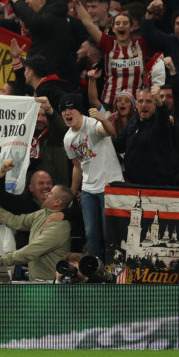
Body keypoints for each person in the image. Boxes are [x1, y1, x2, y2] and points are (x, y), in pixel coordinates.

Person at [60, 93, 121, 259]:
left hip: (109, 186)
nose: (67, 112)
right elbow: (77, 166)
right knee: (91, 234)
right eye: (63, 110)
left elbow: (110, 131)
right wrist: (72, 192)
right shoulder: (68, 139)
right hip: (88, 189)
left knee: (109, 232)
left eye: (70, 108)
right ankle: (95, 270)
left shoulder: (92, 123)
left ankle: (112, 268)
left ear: (79, 110)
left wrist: (102, 119)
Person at [0, 185, 75, 282]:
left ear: (57, 202)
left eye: (50, 193)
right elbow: (16, 221)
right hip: (39, 281)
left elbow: (30, 251)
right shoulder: (42, 214)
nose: (46, 194)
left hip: (52, 283)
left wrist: (1, 260)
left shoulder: (60, 227)